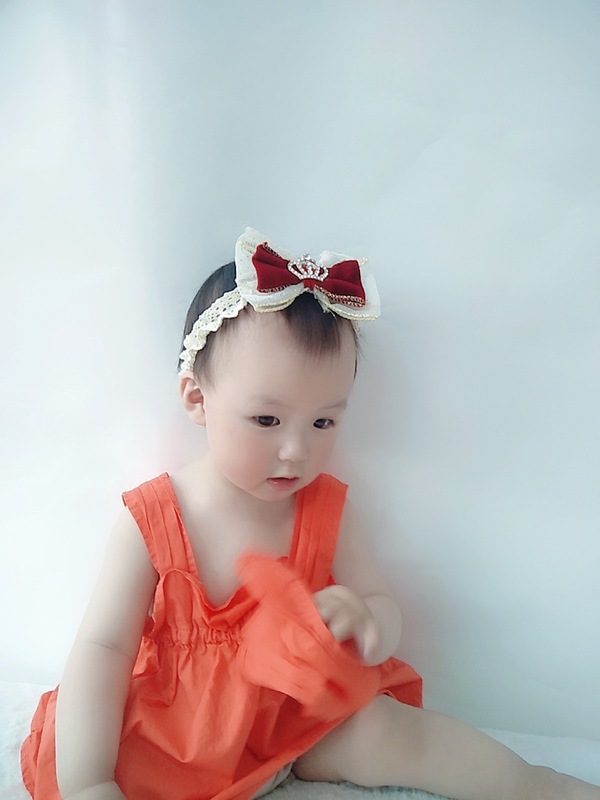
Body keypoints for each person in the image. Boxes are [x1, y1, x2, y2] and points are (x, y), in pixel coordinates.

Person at [21, 228, 600, 800]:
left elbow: (380, 605)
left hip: (300, 715)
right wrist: (89, 778)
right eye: (266, 421)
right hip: (188, 731)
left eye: (323, 422)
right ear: (198, 398)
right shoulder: (154, 520)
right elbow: (103, 649)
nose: (296, 451)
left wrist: (367, 623)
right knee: (120, 758)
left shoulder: (326, 510)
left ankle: (538, 785)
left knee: (391, 733)